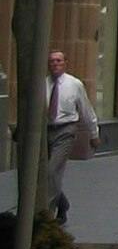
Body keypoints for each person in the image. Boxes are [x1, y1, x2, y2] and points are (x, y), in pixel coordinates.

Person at [40, 50, 100, 223]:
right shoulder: (43, 84)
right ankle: (63, 203)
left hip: (66, 131)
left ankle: (47, 216)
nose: (55, 64)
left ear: (65, 63)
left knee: (51, 170)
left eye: (58, 61)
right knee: (49, 174)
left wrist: (94, 133)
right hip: (46, 130)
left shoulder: (75, 84)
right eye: (52, 61)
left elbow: (86, 110)